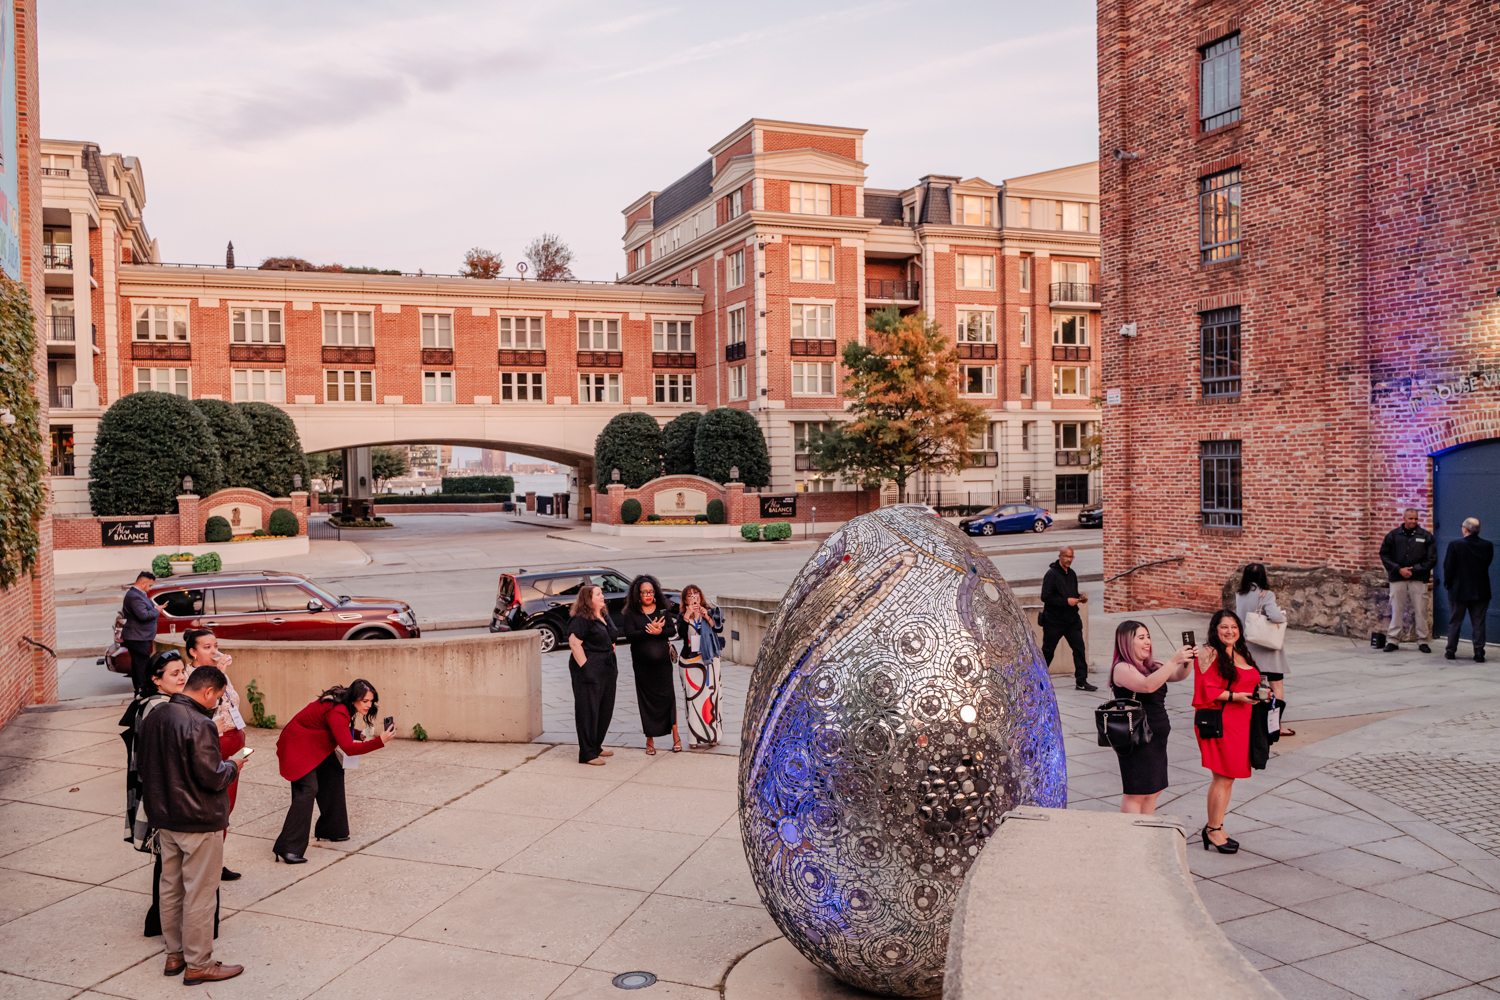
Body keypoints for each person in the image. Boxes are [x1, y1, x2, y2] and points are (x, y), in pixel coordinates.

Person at [136, 664, 245, 984]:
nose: (218, 704)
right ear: (208, 691)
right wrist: (234, 764)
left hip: (165, 817)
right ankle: (199, 963)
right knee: (199, 893)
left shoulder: (156, 714)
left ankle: (175, 956)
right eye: (219, 697)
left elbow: (144, 765)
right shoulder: (200, 724)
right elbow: (212, 776)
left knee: (170, 888)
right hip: (198, 820)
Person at [272, 680, 395, 863]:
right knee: (308, 789)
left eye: (371, 701)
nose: (369, 705)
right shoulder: (338, 710)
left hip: (316, 743)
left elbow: (338, 728)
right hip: (297, 745)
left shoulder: (344, 703)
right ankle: (288, 848)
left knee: (333, 774)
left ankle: (332, 830)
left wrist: (357, 734)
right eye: (365, 701)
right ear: (354, 698)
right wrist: (380, 741)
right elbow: (348, 748)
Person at [120, 649, 187, 938]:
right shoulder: (161, 709)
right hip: (162, 797)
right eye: (175, 674)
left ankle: (157, 922)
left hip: (154, 794)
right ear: (156, 679)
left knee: (167, 863)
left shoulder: (149, 703)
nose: (182, 677)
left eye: (183, 671)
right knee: (169, 865)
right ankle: (160, 922)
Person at [1193, 610, 1264, 854]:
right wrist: (1236, 697)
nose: (1230, 631)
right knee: (1222, 776)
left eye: (1234, 626)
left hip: (1242, 721)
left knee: (1229, 777)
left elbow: (1250, 680)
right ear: (1215, 630)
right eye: (1224, 627)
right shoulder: (1210, 653)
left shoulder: (1241, 651)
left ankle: (1217, 826)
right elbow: (1206, 689)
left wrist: (1262, 694)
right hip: (1219, 721)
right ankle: (1213, 830)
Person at [1107, 621, 1195, 815]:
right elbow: (1147, 686)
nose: (1147, 642)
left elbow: (1179, 675)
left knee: (1154, 790)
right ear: (1126, 642)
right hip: (1136, 737)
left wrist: (1187, 660)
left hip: (1157, 736)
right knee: (1136, 792)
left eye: (1148, 637)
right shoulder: (1122, 668)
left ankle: (1146, 828)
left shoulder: (1153, 666)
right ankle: (1132, 834)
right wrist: (1173, 660)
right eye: (1141, 638)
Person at [184, 629, 246, 881]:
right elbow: (207, 710)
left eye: (216, 645)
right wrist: (219, 674)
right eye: (207, 647)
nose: (214, 651)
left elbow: (233, 703)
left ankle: (216, 860)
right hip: (216, 741)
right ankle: (209, 864)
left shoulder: (220, 674)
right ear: (193, 652)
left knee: (228, 805)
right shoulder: (191, 680)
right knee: (216, 805)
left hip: (236, 738)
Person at [623, 575, 682, 754]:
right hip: (642, 666)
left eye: (650, 591)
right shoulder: (631, 612)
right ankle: (650, 739)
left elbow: (671, 630)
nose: (648, 595)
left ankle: (676, 736)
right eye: (644, 592)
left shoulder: (662, 610)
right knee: (646, 701)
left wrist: (660, 631)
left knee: (668, 698)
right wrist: (648, 631)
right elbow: (629, 635)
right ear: (637, 594)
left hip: (663, 665)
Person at [1235, 564, 1295, 737]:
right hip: (1267, 648)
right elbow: (1275, 616)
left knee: (1253, 685)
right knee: (1276, 686)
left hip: (1248, 647)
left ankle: (1254, 723)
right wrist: (1282, 615)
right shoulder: (1266, 595)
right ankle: (1276, 726)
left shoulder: (1240, 594)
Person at [567, 583, 622, 765]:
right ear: (588, 599)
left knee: (605, 709)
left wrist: (613, 662)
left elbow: (612, 638)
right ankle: (587, 753)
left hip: (607, 667)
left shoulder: (604, 615)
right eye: (598, 594)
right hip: (589, 669)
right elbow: (575, 644)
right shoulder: (581, 618)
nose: (602, 596)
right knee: (588, 710)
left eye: (601, 593)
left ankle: (596, 746)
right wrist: (587, 669)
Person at [1379, 509, 1437, 653]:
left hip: (1418, 578)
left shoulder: (1426, 536)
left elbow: (1432, 559)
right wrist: (1399, 569)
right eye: (1410, 518)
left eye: (1416, 519)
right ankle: (1393, 640)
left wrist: (1415, 569)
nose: (1413, 521)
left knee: (1421, 610)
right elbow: (1384, 555)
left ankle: (1423, 641)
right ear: (1404, 518)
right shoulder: (1393, 535)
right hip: (1398, 578)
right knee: (1397, 609)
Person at [677, 585, 725, 750]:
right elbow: (681, 634)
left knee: (711, 697)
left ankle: (712, 735)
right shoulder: (682, 616)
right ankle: (694, 738)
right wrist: (688, 616)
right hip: (690, 663)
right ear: (684, 600)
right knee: (693, 700)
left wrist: (706, 617)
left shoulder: (708, 612)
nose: (693, 597)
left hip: (709, 660)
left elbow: (719, 628)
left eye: (695, 594)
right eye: (689, 595)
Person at [1041, 546, 1093, 691]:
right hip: (1054, 621)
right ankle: (1037, 680)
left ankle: (1081, 681)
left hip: (1071, 620)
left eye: (1071, 557)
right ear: (1060, 557)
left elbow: (1071, 593)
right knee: (1048, 651)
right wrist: (1066, 602)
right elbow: (1045, 597)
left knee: (1079, 649)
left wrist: (1079, 598)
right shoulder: (1051, 574)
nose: (1069, 560)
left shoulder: (1072, 574)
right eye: (1066, 556)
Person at [1443, 517, 1494, 662]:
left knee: (1455, 621)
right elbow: (1486, 563)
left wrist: (1448, 583)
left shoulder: (1455, 545)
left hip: (1459, 589)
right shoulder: (1487, 545)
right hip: (1481, 589)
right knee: (1478, 622)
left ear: (1465, 529)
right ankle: (1479, 652)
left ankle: (1451, 651)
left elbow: (1449, 567)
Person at [122, 570, 160, 695]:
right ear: (142, 584)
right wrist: (157, 610)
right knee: (142, 665)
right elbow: (143, 615)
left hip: (139, 635)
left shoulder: (138, 594)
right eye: (149, 585)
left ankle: (140, 690)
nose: (150, 589)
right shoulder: (134, 596)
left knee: (138, 664)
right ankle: (143, 690)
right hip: (137, 636)